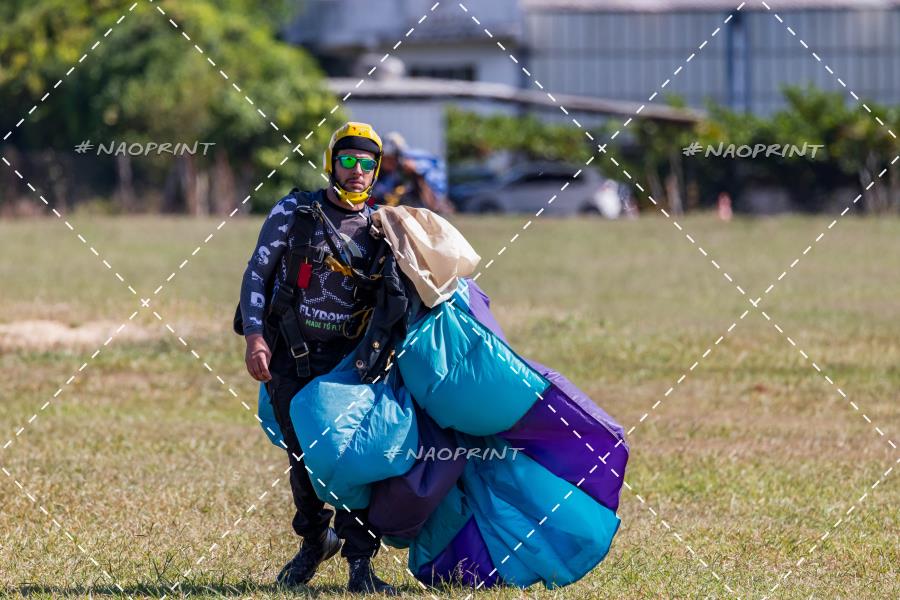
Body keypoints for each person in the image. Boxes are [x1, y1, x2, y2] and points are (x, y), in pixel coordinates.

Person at [238, 122, 399, 595]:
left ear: (376, 171)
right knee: (303, 456)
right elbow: (256, 273)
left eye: (366, 163)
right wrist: (254, 338)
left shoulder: (385, 227)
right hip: (290, 355)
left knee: (352, 459)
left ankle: (360, 566)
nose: (356, 171)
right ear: (332, 163)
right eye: (347, 160)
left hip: (352, 364)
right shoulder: (294, 212)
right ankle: (314, 541)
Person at [372, 131, 453, 214]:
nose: (388, 161)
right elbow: (373, 198)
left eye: (391, 158)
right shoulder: (376, 173)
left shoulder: (406, 170)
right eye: (385, 158)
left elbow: (432, 204)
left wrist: (417, 172)